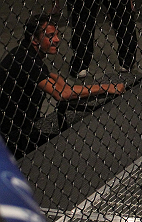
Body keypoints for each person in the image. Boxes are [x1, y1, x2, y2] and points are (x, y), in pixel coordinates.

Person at [0, 14, 125, 158]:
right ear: (34, 39)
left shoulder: (24, 53)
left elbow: (57, 81)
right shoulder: (26, 60)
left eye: (57, 35)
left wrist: (61, 82)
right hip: (11, 137)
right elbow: (62, 94)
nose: (57, 40)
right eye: (50, 36)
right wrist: (107, 87)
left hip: (20, 130)